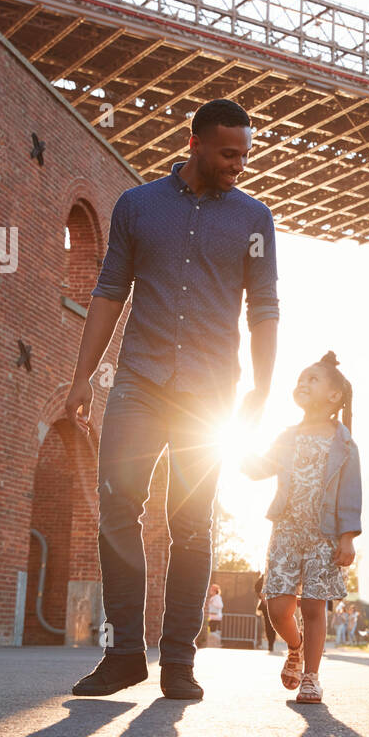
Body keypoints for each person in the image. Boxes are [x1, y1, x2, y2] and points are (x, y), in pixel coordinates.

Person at [67, 98, 279, 701]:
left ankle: (179, 663)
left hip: (209, 396)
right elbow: (109, 291)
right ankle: (125, 655)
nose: (239, 163)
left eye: (245, 152)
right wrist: (83, 375)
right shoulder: (136, 206)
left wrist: (262, 389)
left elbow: (263, 308)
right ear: (194, 144)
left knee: (190, 524)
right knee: (117, 508)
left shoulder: (254, 219)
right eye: (228, 152)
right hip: (137, 382)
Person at [243, 353, 361, 704]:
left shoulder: (344, 443)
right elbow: (259, 467)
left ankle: (311, 677)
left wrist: (347, 538)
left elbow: (350, 493)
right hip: (286, 533)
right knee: (277, 607)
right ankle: (294, 647)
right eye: (300, 379)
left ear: (334, 396)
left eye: (313, 379)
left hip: (324, 537)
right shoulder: (287, 436)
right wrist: (241, 447)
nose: (303, 384)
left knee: (313, 608)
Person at [254, 572, 277, 652]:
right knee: (268, 624)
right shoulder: (264, 577)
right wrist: (262, 597)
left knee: (273, 624)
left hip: (275, 604)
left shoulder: (277, 575)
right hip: (266, 605)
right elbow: (257, 587)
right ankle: (270, 643)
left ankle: (272, 642)